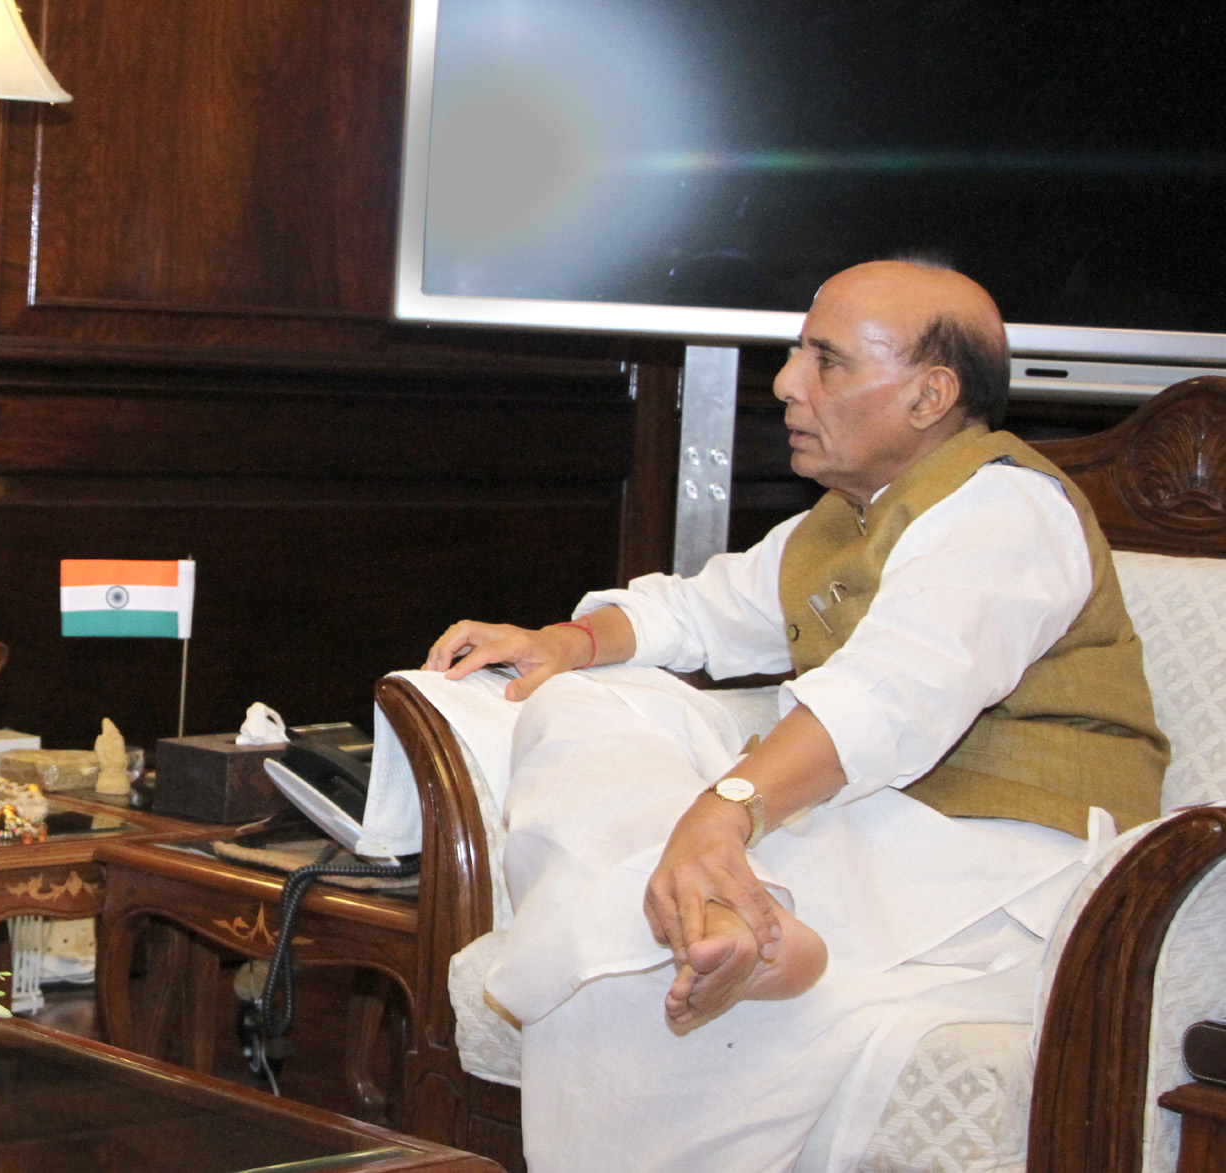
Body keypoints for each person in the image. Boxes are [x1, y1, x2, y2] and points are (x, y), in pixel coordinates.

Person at [420, 259, 1166, 1170]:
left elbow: (890, 695)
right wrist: (566, 644)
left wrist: (723, 809)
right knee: (583, 706)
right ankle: (753, 917)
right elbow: (698, 610)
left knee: (620, 942)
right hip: (849, 823)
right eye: (793, 355)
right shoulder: (844, 519)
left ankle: (743, 916)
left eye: (828, 361)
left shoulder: (1007, 505)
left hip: (999, 850)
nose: (784, 383)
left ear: (932, 394)